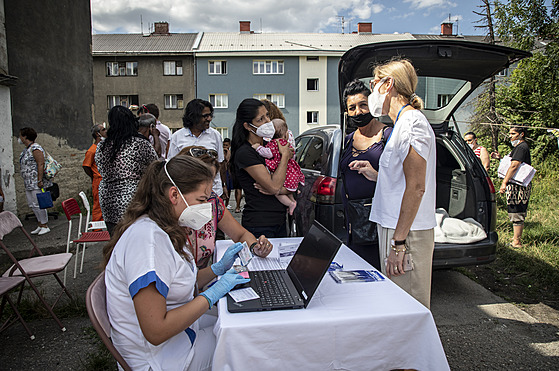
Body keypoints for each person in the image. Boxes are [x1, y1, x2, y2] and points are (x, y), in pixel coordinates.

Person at [103, 155, 250, 371]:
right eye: (201, 200)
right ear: (174, 194)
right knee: (242, 340)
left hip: (174, 339)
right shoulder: (148, 243)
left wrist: (217, 269)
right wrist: (212, 294)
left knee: (237, 320)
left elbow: (177, 282)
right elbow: (156, 331)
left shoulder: (163, 228)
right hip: (159, 358)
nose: (207, 208)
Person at [351, 59, 436, 309]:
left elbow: (417, 187)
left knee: (407, 307)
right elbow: (403, 180)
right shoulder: (401, 124)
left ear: (388, 84)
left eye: (373, 82)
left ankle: (414, 351)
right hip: (394, 227)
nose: (371, 89)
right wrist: (376, 175)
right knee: (395, 304)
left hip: (406, 232)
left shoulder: (412, 124)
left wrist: (399, 243)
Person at [178, 145, 273, 268]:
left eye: (212, 179)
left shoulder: (213, 201)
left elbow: (240, 234)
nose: (209, 189)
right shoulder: (161, 218)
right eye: (202, 181)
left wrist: (255, 247)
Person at [339, 79, 392, 270]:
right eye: (352, 108)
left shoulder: (388, 136)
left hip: (380, 222)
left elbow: (404, 181)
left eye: (363, 105)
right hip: (354, 223)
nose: (358, 112)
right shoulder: (346, 140)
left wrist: (377, 175)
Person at [231, 98, 293, 238]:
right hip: (260, 224)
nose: (267, 122)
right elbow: (274, 187)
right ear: (247, 126)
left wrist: (282, 187)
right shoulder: (245, 153)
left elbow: (285, 181)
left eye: (267, 116)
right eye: (260, 119)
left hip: (280, 220)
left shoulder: (269, 145)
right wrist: (284, 156)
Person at [95, 105, 158, 235]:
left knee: (115, 240)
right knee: (135, 240)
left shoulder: (102, 145)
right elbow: (155, 166)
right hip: (134, 197)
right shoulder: (139, 143)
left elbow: (100, 167)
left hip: (108, 197)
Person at [168, 99, 225, 198]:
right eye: (205, 116)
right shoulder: (177, 137)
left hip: (213, 191)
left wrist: (223, 186)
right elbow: (172, 165)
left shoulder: (215, 135)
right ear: (193, 117)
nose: (209, 119)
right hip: (186, 192)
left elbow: (220, 163)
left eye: (210, 115)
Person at [251, 118, 304, 215]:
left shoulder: (275, 143)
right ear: (285, 134)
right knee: (288, 191)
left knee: (278, 193)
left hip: (282, 172)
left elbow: (268, 153)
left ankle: (290, 204)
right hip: (291, 172)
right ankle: (293, 202)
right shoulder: (286, 143)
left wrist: (258, 147)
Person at [493, 126, 532, 248]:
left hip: (518, 186)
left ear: (521, 134)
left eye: (513, 133)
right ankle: (515, 239)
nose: (510, 136)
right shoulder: (518, 148)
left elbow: (514, 165)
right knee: (514, 210)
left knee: (517, 211)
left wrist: (504, 182)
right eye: (509, 133)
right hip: (515, 185)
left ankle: (517, 241)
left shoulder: (521, 147)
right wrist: (500, 158)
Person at [18, 127, 53, 235]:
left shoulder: (36, 148)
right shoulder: (26, 149)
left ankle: (44, 224)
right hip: (28, 182)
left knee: (39, 203)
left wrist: (39, 179)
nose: (19, 138)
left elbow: (40, 164)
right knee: (32, 203)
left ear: (25, 136)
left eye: (20, 136)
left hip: (35, 182)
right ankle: (39, 223)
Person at [82, 124, 107, 222]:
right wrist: (94, 175)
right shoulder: (92, 150)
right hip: (98, 180)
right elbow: (86, 166)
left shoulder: (103, 147)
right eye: (103, 130)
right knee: (98, 205)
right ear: (98, 134)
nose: (106, 131)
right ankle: (97, 229)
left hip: (105, 179)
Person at [222, 138, 233, 209]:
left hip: (229, 172)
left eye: (227, 145)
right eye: (224, 145)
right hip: (223, 172)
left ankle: (227, 203)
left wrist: (228, 151)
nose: (225, 146)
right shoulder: (221, 152)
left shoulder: (230, 152)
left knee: (229, 188)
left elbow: (228, 159)